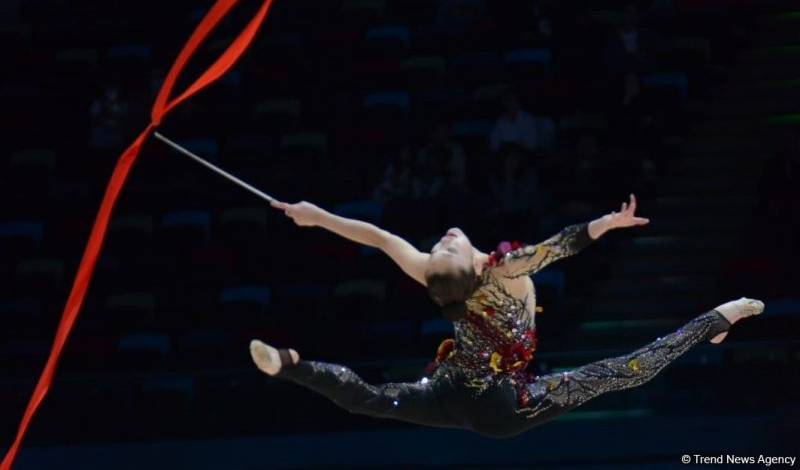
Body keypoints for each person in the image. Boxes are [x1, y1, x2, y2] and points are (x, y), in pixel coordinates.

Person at [251, 194, 765, 438]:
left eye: (441, 246)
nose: (445, 240)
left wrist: (316, 216)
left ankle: (290, 364)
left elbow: (379, 238)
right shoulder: (502, 270)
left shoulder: (447, 273)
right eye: (445, 247)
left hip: (450, 391)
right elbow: (557, 247)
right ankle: (717, 320)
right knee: (622, 372)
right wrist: (604, 224)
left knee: (371, 402)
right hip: (503, 406)